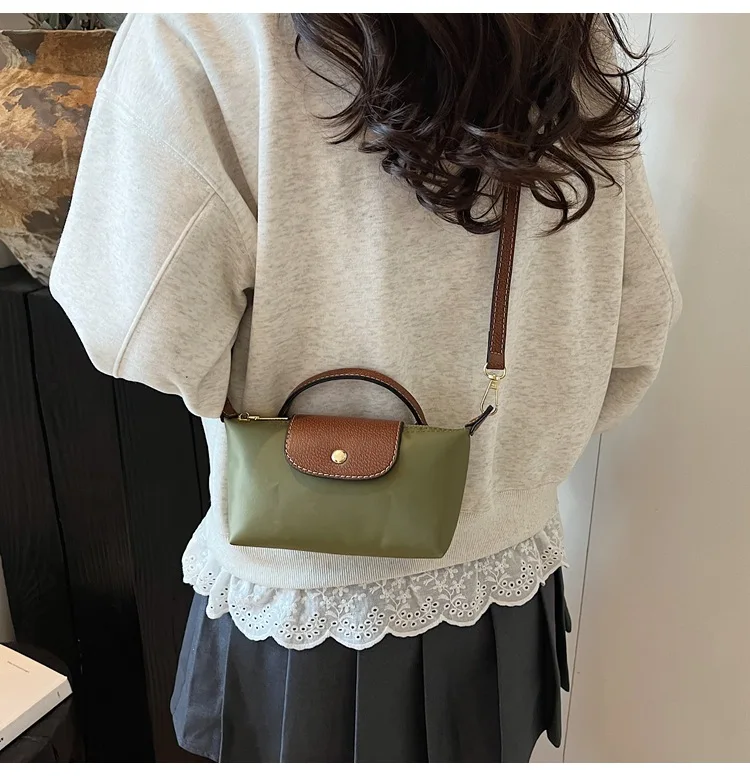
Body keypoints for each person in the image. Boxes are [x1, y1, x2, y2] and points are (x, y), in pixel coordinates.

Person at [50, 13, 681, 763]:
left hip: (303, 603)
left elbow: (138, 325)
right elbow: (637, 321)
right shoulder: (565, 33)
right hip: (505, 593)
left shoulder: (204, 26)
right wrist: (516, 443)